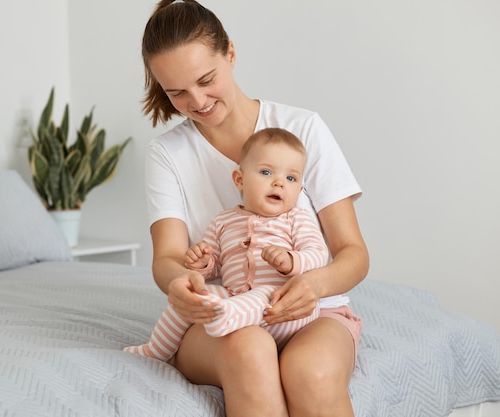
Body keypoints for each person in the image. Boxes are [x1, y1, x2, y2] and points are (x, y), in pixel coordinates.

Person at [140, 1, 369, 416]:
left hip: (313, 311)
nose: (198, 101)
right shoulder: (167, 154)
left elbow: (353, 254)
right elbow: (168, 260)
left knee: (311, 372)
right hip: (226, 315)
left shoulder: (303, 129)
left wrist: (312, 287)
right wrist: (179, 282)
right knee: (250, 348)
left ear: (230, 52)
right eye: (177, 92)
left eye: (206, 79)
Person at [125, 128, 329, 362]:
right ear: (240, 180)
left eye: (291, 178)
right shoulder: (223, 221)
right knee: (194, 295)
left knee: (265, 293)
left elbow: (318, 253)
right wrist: (202, 264)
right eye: (266, 172)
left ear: (299, 189)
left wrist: (292, 261)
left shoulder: (296, 218)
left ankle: (226, 318)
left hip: (286, 308)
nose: (279, 183)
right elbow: (215, 266)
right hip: (234, 296)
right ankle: (156, 351)